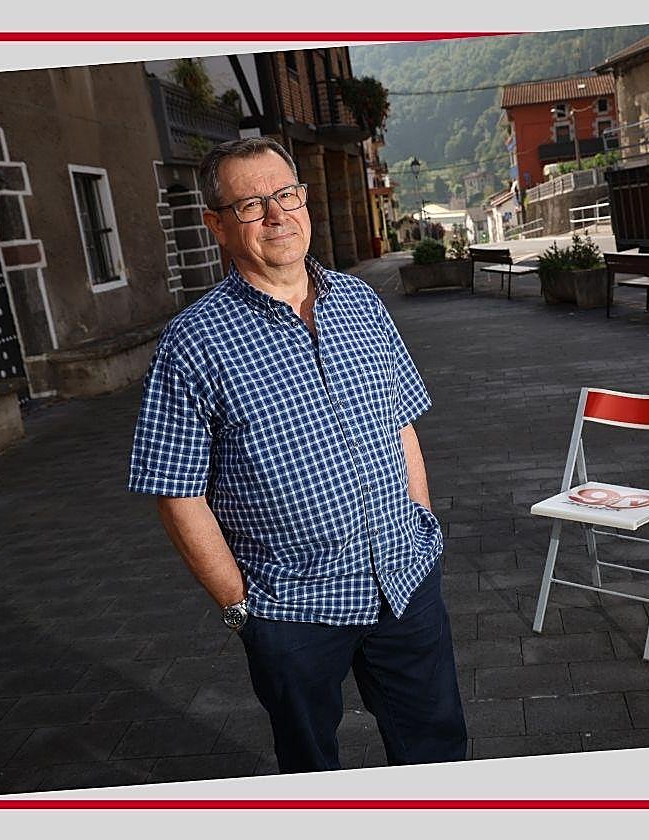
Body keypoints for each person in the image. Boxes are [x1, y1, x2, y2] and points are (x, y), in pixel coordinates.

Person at [127, 137, 466, 774]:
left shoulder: (360, 302)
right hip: (292, 608)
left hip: (404, 581)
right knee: (311, 768)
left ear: (304, 201)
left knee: (437, 752)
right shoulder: (191, 344)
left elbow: (402, 425)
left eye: (285, 195)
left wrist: (420, 526)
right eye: (252, 205)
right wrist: (241, 607)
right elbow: (176, 491)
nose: (277, 215)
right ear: (217, 225)